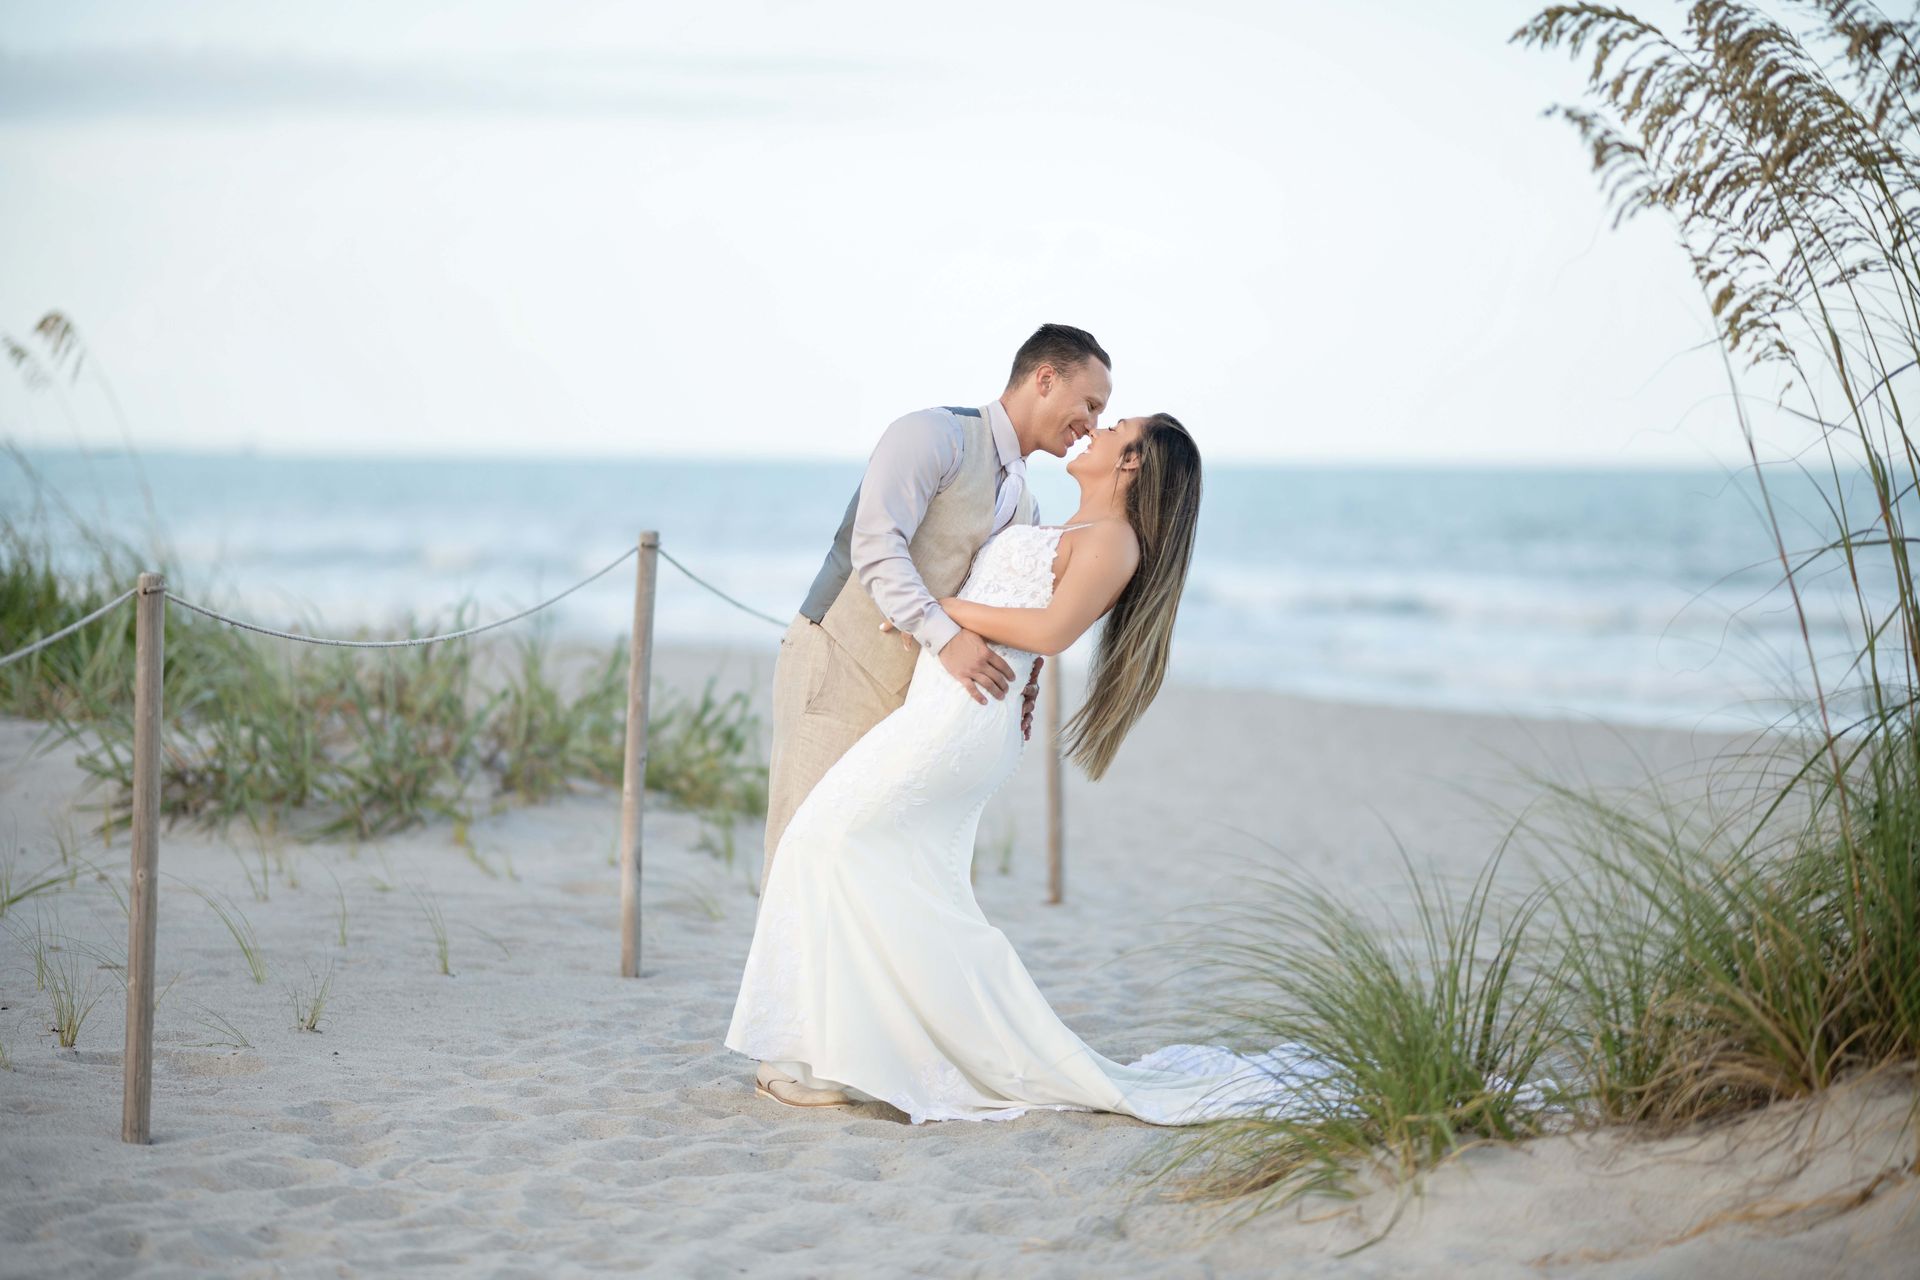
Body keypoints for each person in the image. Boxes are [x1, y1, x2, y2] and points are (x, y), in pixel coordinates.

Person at [729, 412, 1321, 1124]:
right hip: (941, 705)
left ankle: (826, 1055)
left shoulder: (1114, 541)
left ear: (1132, 463)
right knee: (889, 873)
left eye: (1116, 427)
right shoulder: (1054, 521)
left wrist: (938, 611)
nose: (1097, 430)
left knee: (822, 839)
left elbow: (1051, 630)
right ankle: (838, 1053)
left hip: (961, 720)